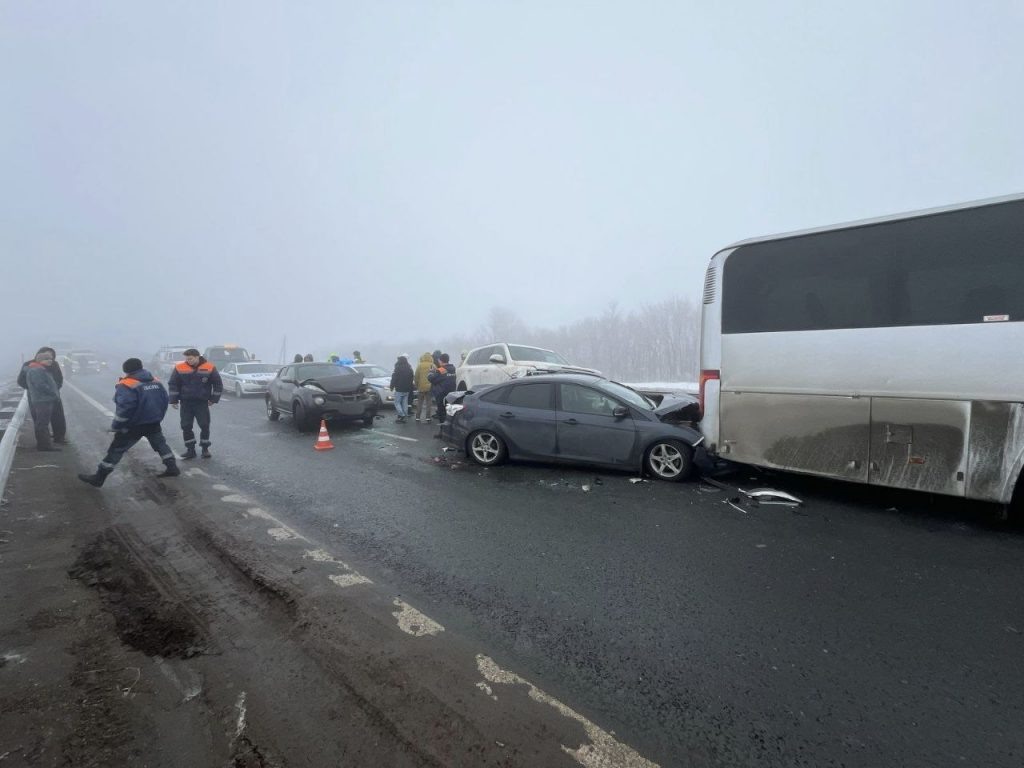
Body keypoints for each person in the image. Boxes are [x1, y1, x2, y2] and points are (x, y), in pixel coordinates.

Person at [78, 358, 179, 487]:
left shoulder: (126, 384)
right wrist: (158, 417)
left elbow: (125, 408)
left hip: (133, 426)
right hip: (153, 422)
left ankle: (99, 477)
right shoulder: (156, 381)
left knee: (116, 449)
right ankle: (172, 467)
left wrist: (117, 426)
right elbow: (164, 400)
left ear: (126, 370)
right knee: (160, 444)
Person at [168, 348, 222, 460]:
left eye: (191, 358)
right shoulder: (180, 367)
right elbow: (173, 384)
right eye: (187, 359)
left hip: (201, 403)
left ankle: (205, 449)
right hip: (186, 402)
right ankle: (190, 450)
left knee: (204, 425)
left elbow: (218, 384)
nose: (188, 361)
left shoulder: (209, 367)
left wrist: (213, 399)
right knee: (186, 426)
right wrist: (173, 400)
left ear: (197, 357)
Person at [17, 345, 67, 444]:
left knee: (58, 417)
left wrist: (54, 389)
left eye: (52, 356)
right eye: (47, 356)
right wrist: (33, 388)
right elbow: (21, 380)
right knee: (40, 419)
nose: (50, 359)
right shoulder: (29, 365)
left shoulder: (54, 364)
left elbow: (59, 378)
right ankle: (44, 442)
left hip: (53, 395)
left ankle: (59, 437)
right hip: (37, 397)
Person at [428, 353, 457, 424]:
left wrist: (431, 373)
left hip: (441, 394)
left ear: (440, 360)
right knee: (449, 413)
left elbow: (432, 379)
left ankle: (442, 432)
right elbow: (444, 377)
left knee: (442, 414)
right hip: (451, 393)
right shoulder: (452, 368)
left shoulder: (442, 369)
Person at [389, 354, 414, 423]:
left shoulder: (397, 368)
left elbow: (394, 378)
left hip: (399, 388)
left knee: (397, 402)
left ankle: (401, 414)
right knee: (404, 403)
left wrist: (391, 386)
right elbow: (412, 378)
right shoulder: (409, 368)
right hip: (407, 389)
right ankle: (404, 415)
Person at [414, 352, 435, 422]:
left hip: (421, 387)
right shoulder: (433, 365)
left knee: (420, 403)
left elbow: (416, 377)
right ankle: (428, 417)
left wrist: (417, 385)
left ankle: (417, 417)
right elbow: (436, 377)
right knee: (429, 403)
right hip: (430, 388)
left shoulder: (420, 365)